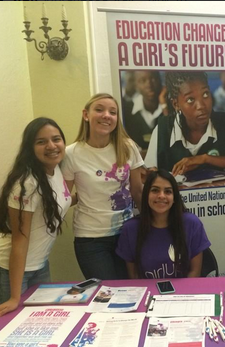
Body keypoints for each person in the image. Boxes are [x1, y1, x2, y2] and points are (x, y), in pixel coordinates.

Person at [0, 117, 72, 318]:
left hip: (39, 265)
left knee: (41, 326)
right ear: (30, 148)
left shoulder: (55, 169)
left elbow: (57, 202)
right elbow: (20, 239)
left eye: (56, 139)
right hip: (9, 271)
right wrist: (15, 297)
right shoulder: (27, 183)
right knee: (11, 330)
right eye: (41, 142)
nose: (51, 146)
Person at [61, 93, 143, 280]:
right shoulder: (71, 154)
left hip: (127, 233)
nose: (107, 115)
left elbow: (138, 191)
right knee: (106, 293)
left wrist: (151, 227)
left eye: (112, 112)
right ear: (86, 115)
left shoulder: (128, 147)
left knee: (131, 290)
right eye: (99, 109)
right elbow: (63, 197)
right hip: (91, 239)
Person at [116, 170, 211, 279]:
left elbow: (194, 272)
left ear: (174, 197)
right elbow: (134, 276)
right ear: (146, 194)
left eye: (168, 191)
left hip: (183, 294)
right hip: (147, 294)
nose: (161, 196)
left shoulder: (192, 224)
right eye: (155, 190)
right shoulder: (131, 229)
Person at [144, 71, 225, 176]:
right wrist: (152, 173)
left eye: (205, 94)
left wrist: (204, 158)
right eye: (190, 99)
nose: (201, 106)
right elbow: (149, 170)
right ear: (176, 104)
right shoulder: (162, 129)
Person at [122, 71, 168, 156]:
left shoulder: (168, 108)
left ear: (160, 81)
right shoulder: (127, 110)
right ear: (136, 86)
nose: (149, 85)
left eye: (153, 79)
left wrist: (164, 105)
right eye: (143, 81)